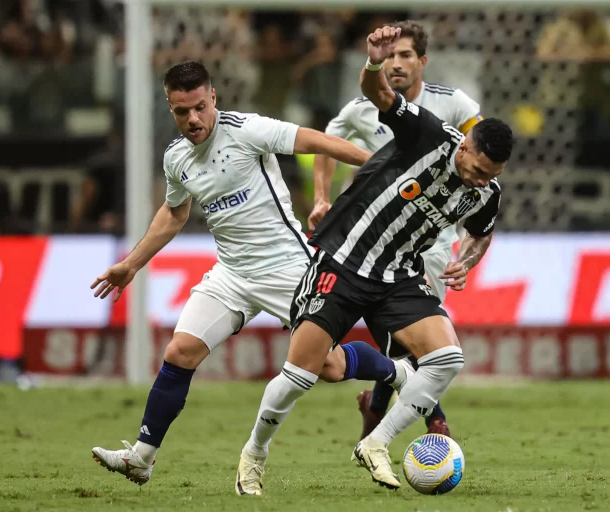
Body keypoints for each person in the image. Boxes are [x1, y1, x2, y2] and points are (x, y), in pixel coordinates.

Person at [89, 61, 414, 486]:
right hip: (231, 275)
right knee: (179, 352)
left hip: (289, 269)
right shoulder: (177, 159)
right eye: (181, 111)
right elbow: (175, 212)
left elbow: (319, 142)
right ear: (170, 108)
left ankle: (399, 373)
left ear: (213, 99)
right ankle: (142, 457)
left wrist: (385, 169)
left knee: (330, 368)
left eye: (200, 107)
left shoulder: (248, 131)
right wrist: (131, 264)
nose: (193, 119)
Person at [235, 26, 513, 494]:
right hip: (343, 260)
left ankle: (377, 442)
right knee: (303, 372)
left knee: (446, 358)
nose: (480, 181)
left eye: (492, 176)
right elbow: (377, 92)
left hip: (398, 274)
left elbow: (481, 233)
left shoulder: (487, 193)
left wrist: (468, 259)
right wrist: (372, 62)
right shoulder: (426, 132)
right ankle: (254, 454)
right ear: (464, 147)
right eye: (478, 170)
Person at [310, 19, 483, 441]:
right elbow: (324, 143)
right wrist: (320, 197)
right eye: (391, 55)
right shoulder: (362, 109)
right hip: (378, 240)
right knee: (408, 337)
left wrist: (469, 240)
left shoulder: (454, 105)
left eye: (406, 55)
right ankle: (433, 421)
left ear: (422, 61)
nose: (398, 63)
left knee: (411, 338)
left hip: (436, 241)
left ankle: (377, 406)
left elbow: (482, 159)